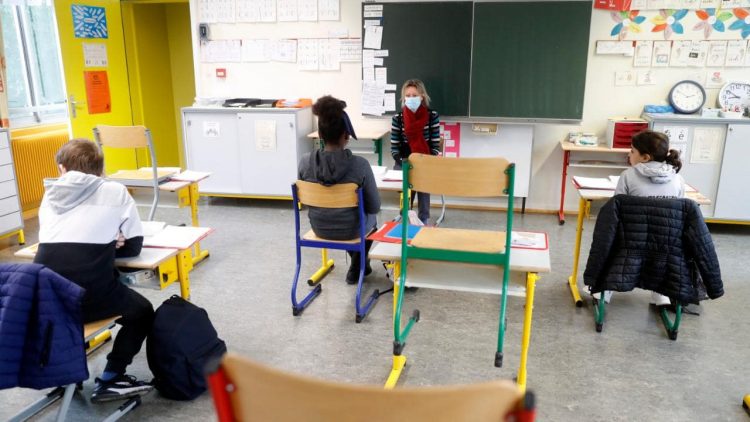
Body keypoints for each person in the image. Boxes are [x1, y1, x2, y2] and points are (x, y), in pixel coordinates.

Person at [33, 139, 154, 403]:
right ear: (100, 168)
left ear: (62, 168)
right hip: (88, 297)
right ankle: (112, 377)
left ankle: (67, 374)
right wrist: (111, 241)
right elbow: (133, 246)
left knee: (71, 294)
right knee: (142, 312)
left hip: (45, 300)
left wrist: (104, 239)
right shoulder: (115, 191)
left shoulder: (49, 194)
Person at [595, 130, 686, 306]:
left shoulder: (628, 175)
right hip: (666, 242)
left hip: (632, 241)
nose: (629, 155)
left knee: (611, 239)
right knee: (661, 246)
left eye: (632, 151)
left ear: (645, 157)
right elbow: (680, 211)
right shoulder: (678, 178)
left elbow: (617, 207)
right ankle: (661, 294)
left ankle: (605, 291)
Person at [298, 96, 381, 284]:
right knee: (371, 219)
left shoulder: (304, 162)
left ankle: (360, 264)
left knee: (348, 216)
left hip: (319, 227)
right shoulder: (360, 165)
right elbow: (374, 206)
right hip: (351, 230)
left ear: (320, 134)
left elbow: (303, 199)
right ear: (346, 135)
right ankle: (358, 264)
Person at [390, 79, 441, 225]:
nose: (411, 98)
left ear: (422, 96)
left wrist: (424, 161)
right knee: (406, 182)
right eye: (408, 95)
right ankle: (405, 215)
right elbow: (394, 148)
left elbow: (435, 146)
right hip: (404, 161)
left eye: (414, 95)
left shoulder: (432, 116)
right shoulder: (398, 118)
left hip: (425, 160)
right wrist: (404, 162)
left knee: (423, 179)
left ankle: (423, 218)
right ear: (403, 98)